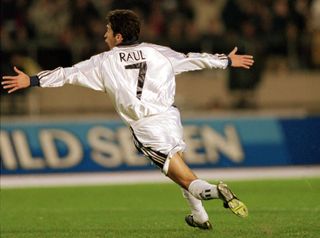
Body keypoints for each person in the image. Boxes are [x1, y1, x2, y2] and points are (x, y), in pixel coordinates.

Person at [2, 9, 254, 230]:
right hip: (170, 118)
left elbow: (67, 74)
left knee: (186, 179)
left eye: (108, 31)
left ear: (118, 37)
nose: (105, 36)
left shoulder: (103, 62)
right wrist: (227, 61)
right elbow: (193, 58)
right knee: (181, 168)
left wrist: (32, 80)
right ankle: (199, 217)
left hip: (146, 127)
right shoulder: (158, 52)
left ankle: (215, 190)